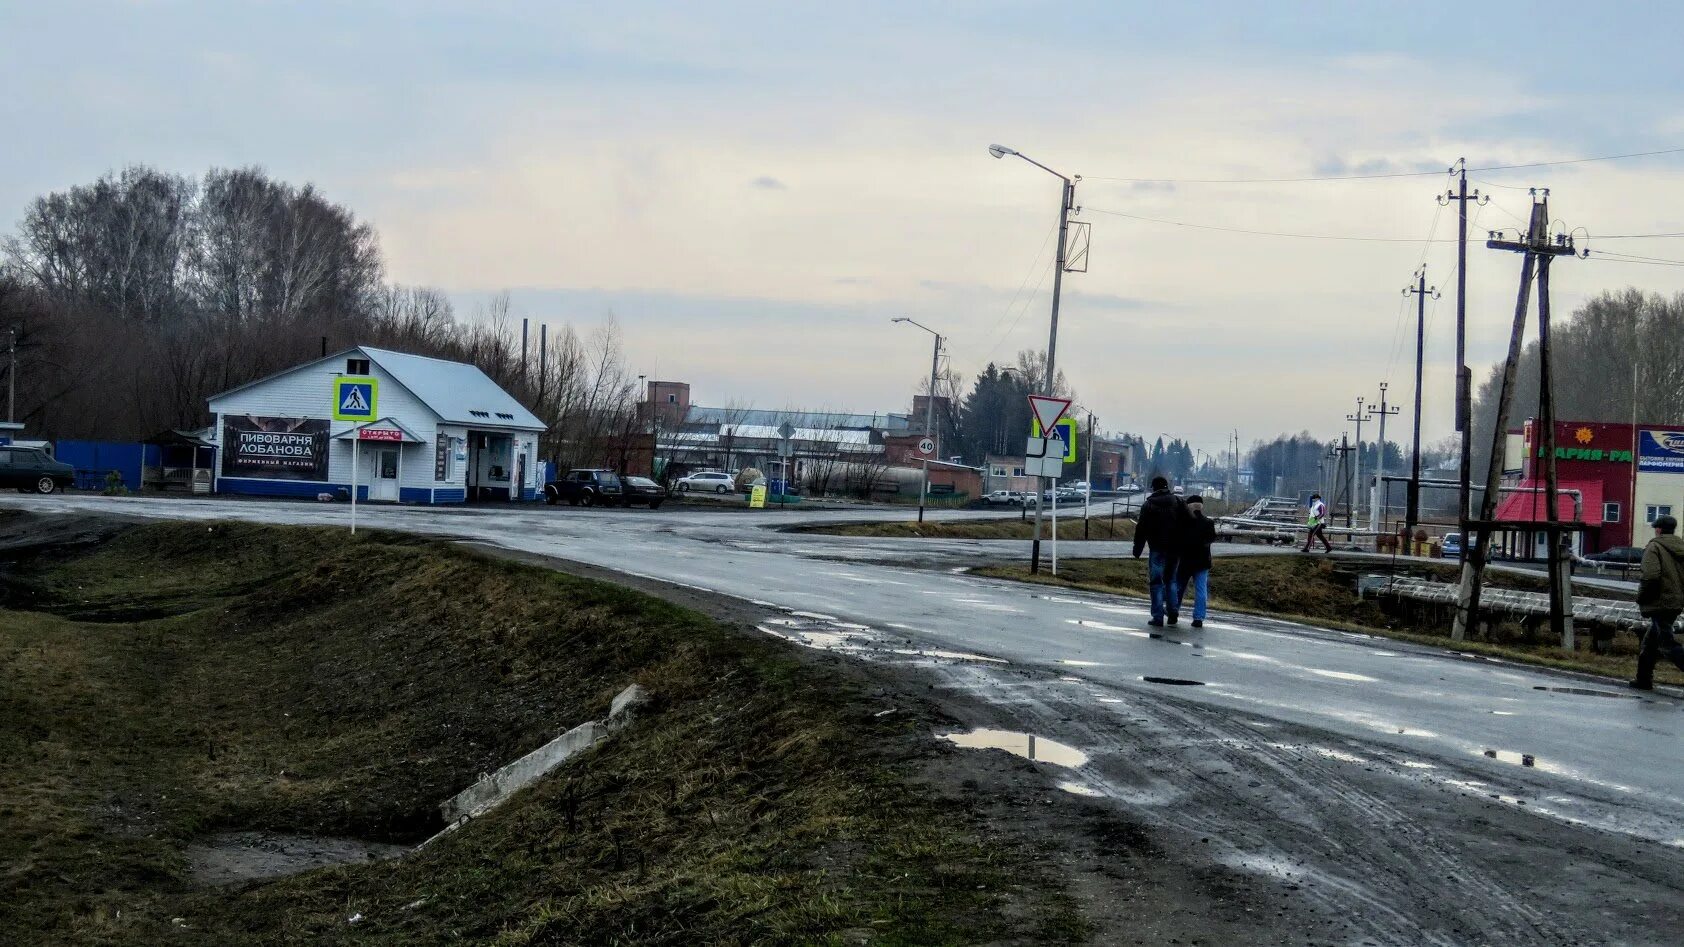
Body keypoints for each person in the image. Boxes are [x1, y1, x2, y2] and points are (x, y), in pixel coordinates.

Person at [1632, 514, 1684, 691]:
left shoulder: (1655, 546)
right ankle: (1643, 680)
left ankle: (1643, 680)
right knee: (1651, 640)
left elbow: (1650, 576)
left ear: (1659, 529)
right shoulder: (1681, 547)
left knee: (1666, 643)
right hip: (1675, 602)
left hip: (1660, 601)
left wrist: (1642, 597)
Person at [1132, 475, 1186, 626]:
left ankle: (1157, 616)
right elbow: (1189, 522)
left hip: (1156, 548)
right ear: (1167, 487)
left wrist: (1137, 549)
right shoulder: (1178, 502)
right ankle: (1173, 611)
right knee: (1171, 579)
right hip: (1175, 549)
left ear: (1153, 488)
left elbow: (1141, 529)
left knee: (1156, 582)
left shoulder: (1148, 505)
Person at [1173, 494, 1216, 629]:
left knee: (1179, 588)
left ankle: (1173, 612)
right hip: (1202, 561)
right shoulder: (1208, 523)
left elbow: (1177, 540)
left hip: (1185, 561)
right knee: (1201, 590)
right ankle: (1198, 617)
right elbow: (1211, 539)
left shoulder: (1183, 522)